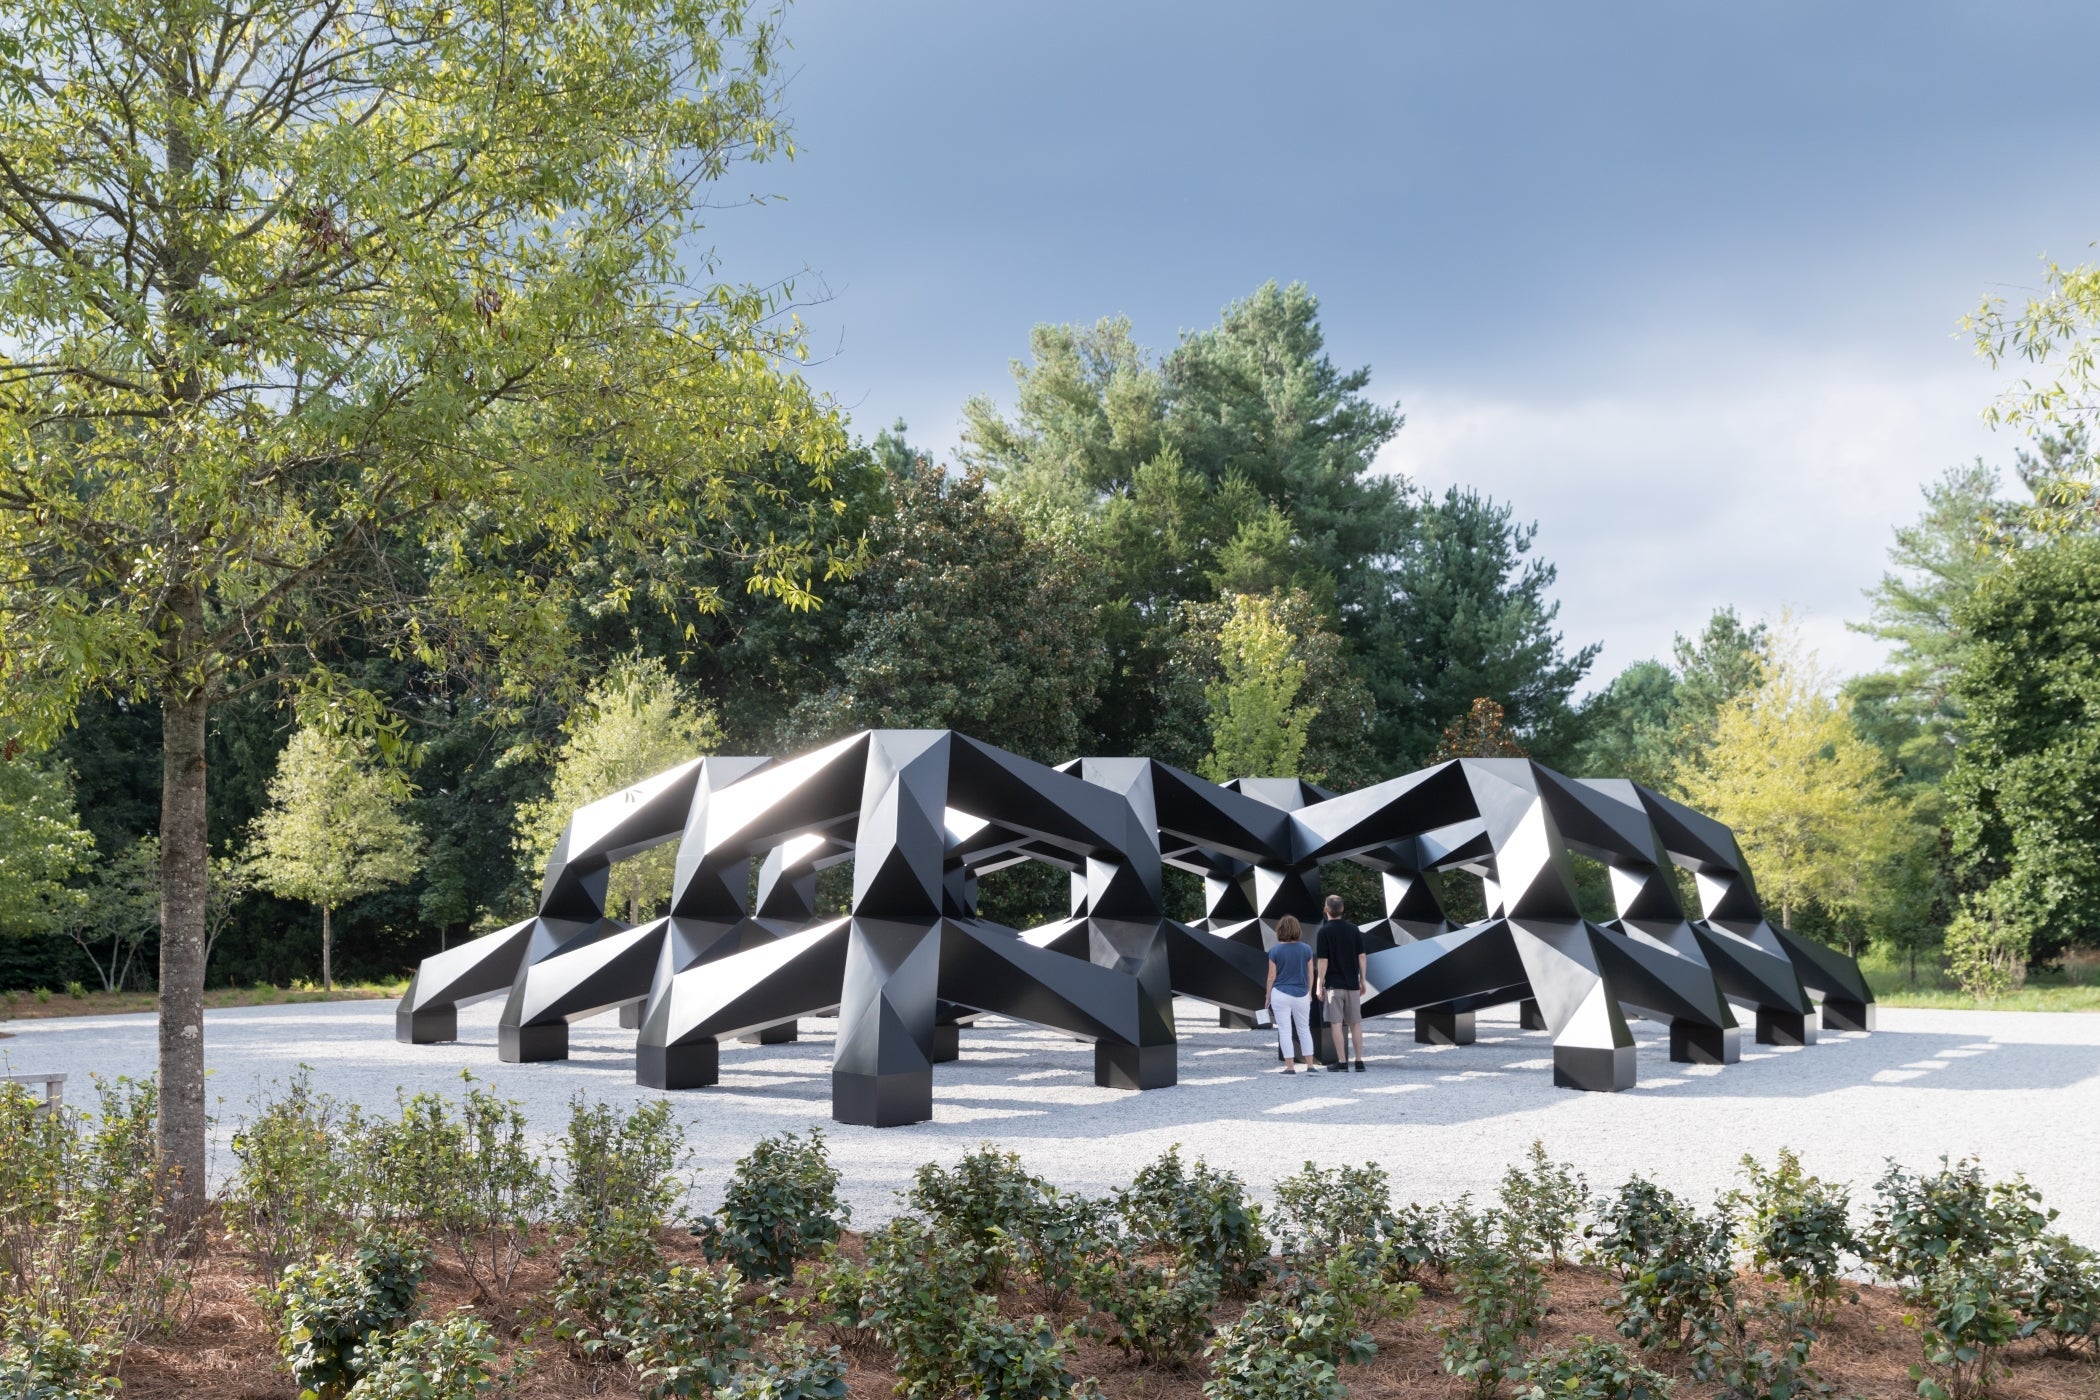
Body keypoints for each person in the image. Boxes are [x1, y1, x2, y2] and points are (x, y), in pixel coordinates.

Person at [1314, 894, 1368, 1072]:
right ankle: (1359, 1062)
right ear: (1342, 909)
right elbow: (1361, 956)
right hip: (1352, 984)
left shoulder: (1324, 932)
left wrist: (1319, 984)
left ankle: (1342, 1062)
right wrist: (1363, 980)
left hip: (1334, 986)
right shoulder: (1354, 929)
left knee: (1336, 1024)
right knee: (1355, 1023)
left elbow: (1323, 961)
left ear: (1326, 909)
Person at [1265, 914, 1316, 1073]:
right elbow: (1310, 973)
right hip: (1301, 993)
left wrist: (1268, 996)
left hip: (1280, 993)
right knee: (1304, 1029)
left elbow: (1271, 976)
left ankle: (1290, 1066)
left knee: (1285, 1030)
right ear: (1297, 930)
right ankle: (1310, 1065)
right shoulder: (1306, 949)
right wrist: (1309, 991)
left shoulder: (1274, 951)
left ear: (1280, 930)